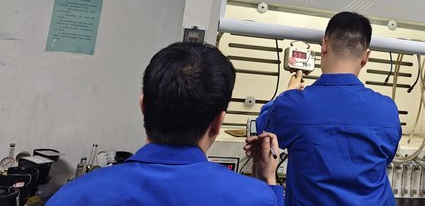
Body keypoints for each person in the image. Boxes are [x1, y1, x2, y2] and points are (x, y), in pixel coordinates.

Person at [48, 42, 283, 205]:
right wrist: (266, 180)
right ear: (218, 122)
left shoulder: (72, 196)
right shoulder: (255, 198)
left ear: (143, 106)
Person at [256, 12, 401, 205]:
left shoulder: (294, 106)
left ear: (324, 45)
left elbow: (263, 130)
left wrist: (288, 93)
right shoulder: (387, 109)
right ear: (365, 57)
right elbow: (385, 158)